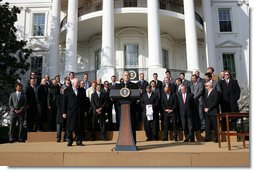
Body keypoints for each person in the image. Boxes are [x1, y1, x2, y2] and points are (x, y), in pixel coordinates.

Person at [63, 78, 89, 146]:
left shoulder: (82, 90)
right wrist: (64, 112)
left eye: (78, 83)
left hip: (80, 112)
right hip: (70, 112)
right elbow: (64, 102)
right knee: (70, 127)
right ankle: (70, 141)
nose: (78, 84)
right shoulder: (67, 90)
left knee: (79, 127)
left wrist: (85, 111)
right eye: (76, 83)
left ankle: (79, 141)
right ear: (72, 83)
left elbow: (84, 102)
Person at [116, 71, 138, 143]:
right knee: (122, 126)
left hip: (131, 109)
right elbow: (116, 97)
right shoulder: (118, 86)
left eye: (128, 75)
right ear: (122, 76)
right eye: (125, 75)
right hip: (121, 109)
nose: (127, 76)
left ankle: (133, 142)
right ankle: (122, 142)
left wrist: (129, 102)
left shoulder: (134, 85)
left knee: (132, 125)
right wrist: (122, 102)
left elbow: (136, 96)